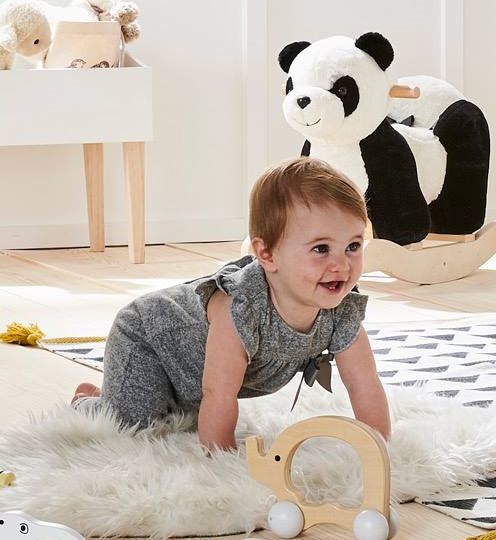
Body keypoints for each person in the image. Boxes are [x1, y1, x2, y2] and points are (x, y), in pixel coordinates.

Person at [71, 158, 389, 451]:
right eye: (321, 249)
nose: (341, 265)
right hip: (150, 340)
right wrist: (222, 464)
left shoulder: (342, 309)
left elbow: (365, 384)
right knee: (132, 426)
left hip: (193, 374)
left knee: (181, 414)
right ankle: (91, 402)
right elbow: (217, 393)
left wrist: (380, 448)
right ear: (267, 255)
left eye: (353, 246)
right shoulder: (243, 306)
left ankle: (135, 396)